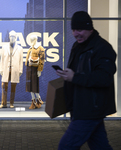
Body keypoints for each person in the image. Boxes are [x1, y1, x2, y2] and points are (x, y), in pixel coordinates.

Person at [56, 11, 116, 150]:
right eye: (73, 29)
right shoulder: (78, 46)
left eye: (80, 29)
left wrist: (74, 77)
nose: (76, 33)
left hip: (89, 109)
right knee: (100, 146)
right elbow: (79, 72)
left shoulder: (103, 48)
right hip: (81, 107)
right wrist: (67, 75)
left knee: (66, 146)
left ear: (90, 28)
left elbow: (104, 78)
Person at [0, 30, 23, 109]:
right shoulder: (4, 47)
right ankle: (3, 103)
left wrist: (20, 70)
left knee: (13, 87)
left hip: (15, 69)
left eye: (14, 37)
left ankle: (11, 103)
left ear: (16, 38)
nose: (12, 38)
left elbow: (21, 60)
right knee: (4, 86)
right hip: (6, 69)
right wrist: (1, 69)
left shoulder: (19, 48)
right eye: (11, 37)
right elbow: (1, 59)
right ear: (9, 37)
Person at [25, 35, 45, 109]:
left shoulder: (40, 48)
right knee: (30, 86)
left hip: (35, 69)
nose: (31, 41)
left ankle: (38, 100)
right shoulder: (31, 48)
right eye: (31, 39)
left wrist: (39, 70)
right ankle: (35, 101)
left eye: (32, 39)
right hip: (29, 68)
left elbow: (42, 60)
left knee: (34, 86)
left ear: (36, 39)